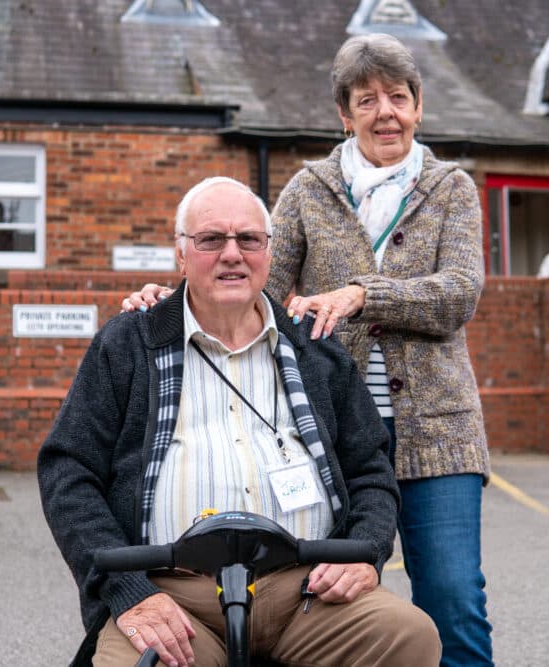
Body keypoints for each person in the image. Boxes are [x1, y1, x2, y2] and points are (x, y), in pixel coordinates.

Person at [123, 33, 494, 667]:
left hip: (438, 433)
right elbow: (254, 278)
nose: (385, 113)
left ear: (418, 106)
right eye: (367, 100)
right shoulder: (307, 189)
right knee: (329, 598)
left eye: (398, 98)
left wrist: (361, 295)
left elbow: (460, 292)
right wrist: (175, 296)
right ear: (345, 115)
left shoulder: (452, 188)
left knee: (453, 597)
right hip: (331, 429)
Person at [39, 176, 440, 667]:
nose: (232, 254)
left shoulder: (313, 346)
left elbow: (370, 467)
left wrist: (364, 551)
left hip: (307, 590)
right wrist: (128, 590)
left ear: (268, 252)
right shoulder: (129, 343)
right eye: (211, 239)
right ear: (181, 255)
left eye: (248, 239)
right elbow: (68, 472)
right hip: (176, 593)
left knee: (409, 636)